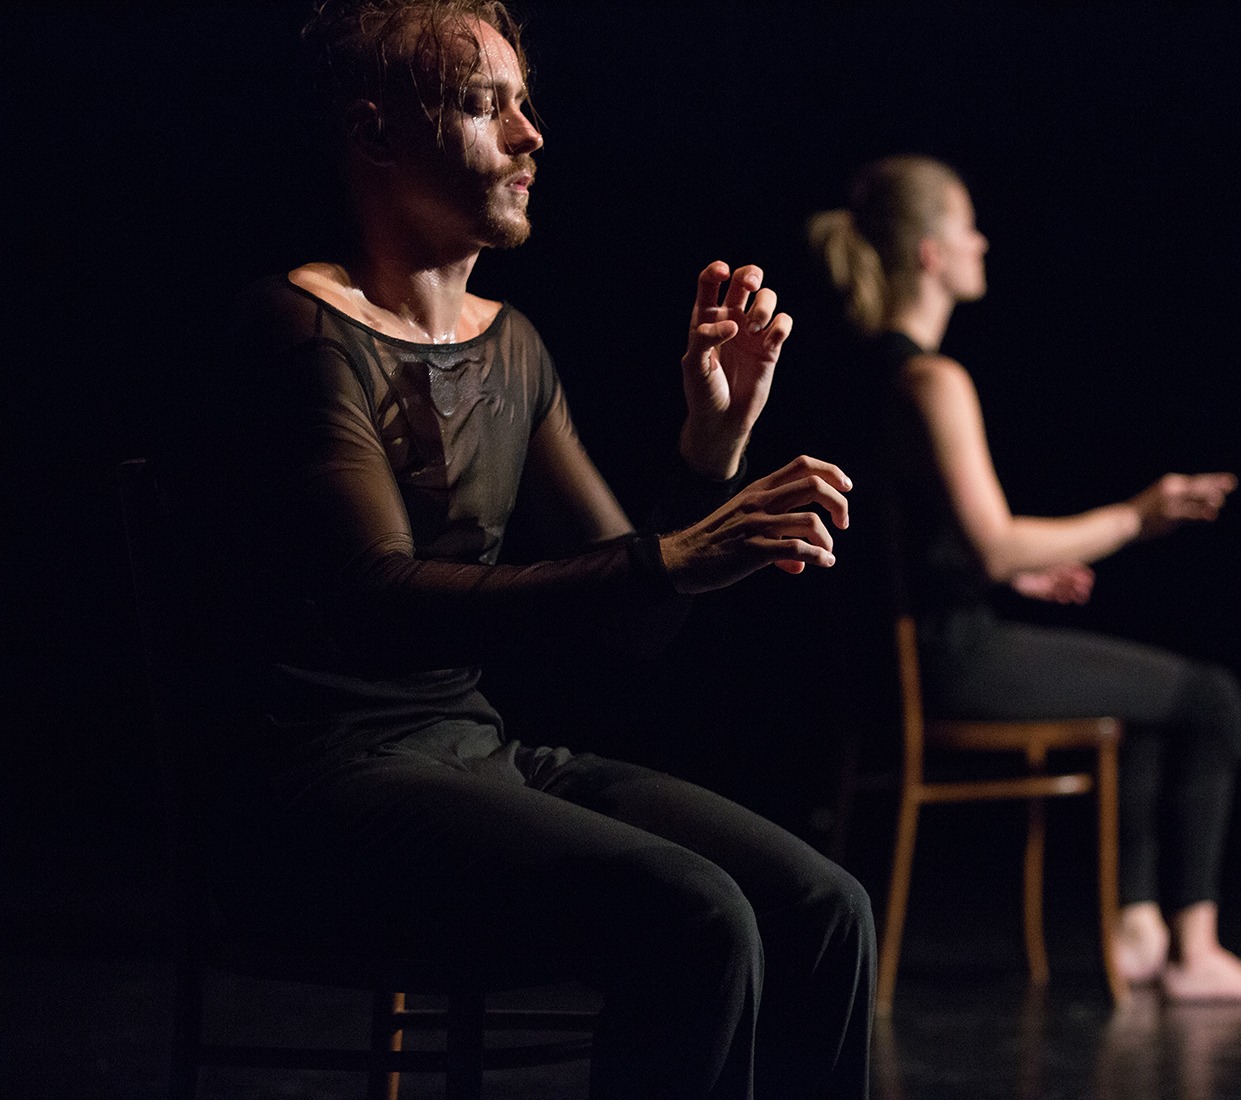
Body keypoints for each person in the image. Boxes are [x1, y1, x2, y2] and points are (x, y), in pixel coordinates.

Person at [174, 3, 875, 1097]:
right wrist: (673, 554)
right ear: (375, 135)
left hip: (473, 753)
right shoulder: (296, 330)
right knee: (695, 914)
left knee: (825, 906)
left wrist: (709, 452)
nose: (530, 134)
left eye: (524, 102)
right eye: (482, 104)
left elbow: (634, 624)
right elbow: (381, 597)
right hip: (319, 789)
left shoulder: (514, 344)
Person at [809, 154, 1241, 1003]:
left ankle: (1138, 930)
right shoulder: (932, 379)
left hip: (899, 659)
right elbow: (995, 545)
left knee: (1146, 707)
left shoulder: (867, 370)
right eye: (968, 226)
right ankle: (1195, 948)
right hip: (952, 660)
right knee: (1211, 698)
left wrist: (1008, 576)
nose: (982, 242)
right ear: (930, 254)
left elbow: (905, 537)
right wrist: (1138, 516)